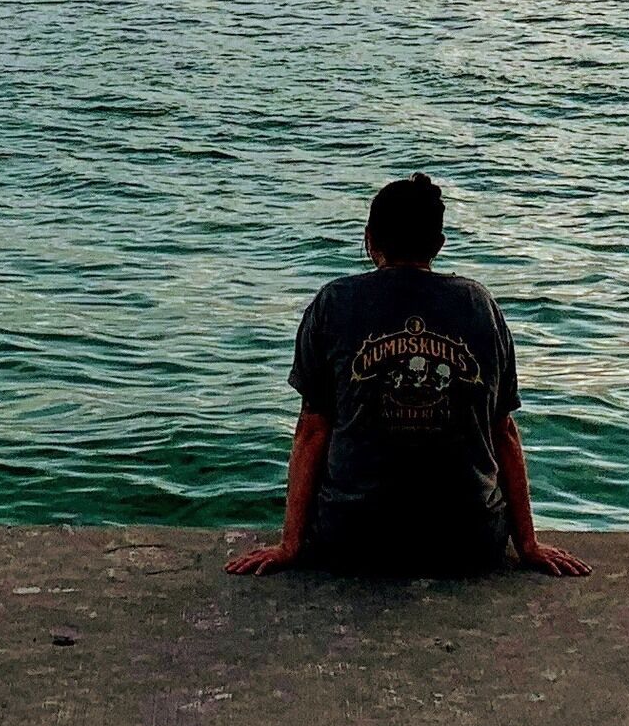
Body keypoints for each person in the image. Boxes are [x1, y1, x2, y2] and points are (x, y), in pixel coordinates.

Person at [226, 176, 589, 579]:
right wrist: (528, 545)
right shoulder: (479, 304)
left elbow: (312, 431)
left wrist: (289, 545)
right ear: (439, 244)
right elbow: (502, 431)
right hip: (469, 541)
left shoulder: (333, 302)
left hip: (352, 540)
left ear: (370, 240)